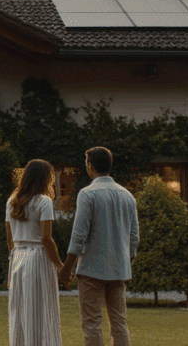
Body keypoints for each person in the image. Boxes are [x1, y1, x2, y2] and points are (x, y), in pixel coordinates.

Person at [58, 147, 139, 346]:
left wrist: (66, 268)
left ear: (90, 165)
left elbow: (79, 236)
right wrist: (125, 262)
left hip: (92, 269)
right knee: (119, 323)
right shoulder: (128, 196)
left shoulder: (88, 194)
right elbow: (134, 237)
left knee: (92, 324)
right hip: (119, 270)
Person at [6, 159, 65, 346]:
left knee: (21, 309)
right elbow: (46, 238)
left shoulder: (12, 202)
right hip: (38, 257)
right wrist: (59, 266)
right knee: (43, 309)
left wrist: (13, 261)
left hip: (18, 256)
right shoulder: (44, 202)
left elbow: (10, 239)